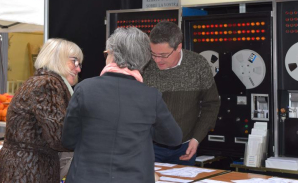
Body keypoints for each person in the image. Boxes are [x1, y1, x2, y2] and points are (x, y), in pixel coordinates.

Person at [62, 27, 182, 183]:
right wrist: (145, 130)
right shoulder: (150, 96)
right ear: (143, 59)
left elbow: (68, 140)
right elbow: (174, 138)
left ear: (112, 54)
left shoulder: (84, 89)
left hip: (87, 177)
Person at [0, 38, 83, 183]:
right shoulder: (47, 84)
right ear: (58, 58)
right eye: (75, 61)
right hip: (28, 171)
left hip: (24, 169)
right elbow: (59, 137)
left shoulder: (42, 81)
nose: (78, 68)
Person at [143, 21, 221, 166]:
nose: (157, 60)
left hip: (185, 147)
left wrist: (197, 138)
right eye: (153, 54)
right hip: (147, 147)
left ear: (178, 47)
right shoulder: (144, 65)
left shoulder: (198, 65)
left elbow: (211, 104)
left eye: (163, 55)